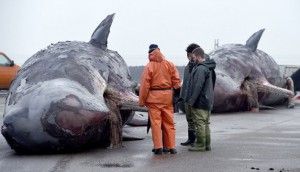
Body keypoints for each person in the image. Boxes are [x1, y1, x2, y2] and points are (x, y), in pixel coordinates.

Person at [139, 44, 181, 155]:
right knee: (169, 122)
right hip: (167, 97)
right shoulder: (170, 64)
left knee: (156, 124)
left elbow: (144, 85)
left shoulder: (149, 66)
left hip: (153, 98)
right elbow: (176, 81)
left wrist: (141, 101)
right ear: (159, 51)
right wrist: (175, 92)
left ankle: (158, 147)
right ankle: (171, 147)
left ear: (150, 53)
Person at [187, 47, 216, 151]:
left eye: (193, 57)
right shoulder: (208, 68)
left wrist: (192, 101)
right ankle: (207, 144)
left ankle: (200, 145)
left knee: (200, 123)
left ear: (199, 56)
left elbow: (197, 86)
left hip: (200, 101)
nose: (192, 59)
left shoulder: (200, 69)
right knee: (205, 123)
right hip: (207, 100)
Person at [180, 43, 200, 146]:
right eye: (188, 55)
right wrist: (182, 97)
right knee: (190, 119)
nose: (188, 57)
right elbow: (185, 83)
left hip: (198, 98)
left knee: (198, 119)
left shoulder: (202, 66)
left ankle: (200, 139)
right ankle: (191, 138)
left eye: (190, 54)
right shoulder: (188, 67)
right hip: (188, 98)